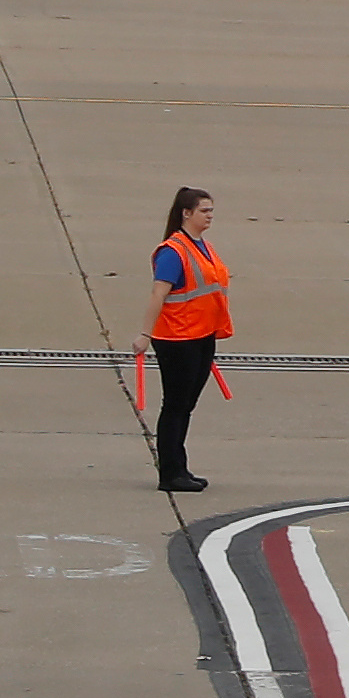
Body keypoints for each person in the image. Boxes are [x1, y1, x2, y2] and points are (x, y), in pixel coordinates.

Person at [144, 187, 231, 493]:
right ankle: (170, 472)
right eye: (204, 211)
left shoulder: (202, 247)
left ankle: (179, 467)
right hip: (177, 338)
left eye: (211, 211)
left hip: (201, 334)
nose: (210, 216)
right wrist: (144, 334)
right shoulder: (174, 251)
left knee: (185, 406)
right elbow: (159, 293)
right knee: (176, 406)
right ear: (186, 213)